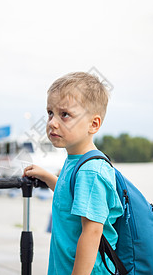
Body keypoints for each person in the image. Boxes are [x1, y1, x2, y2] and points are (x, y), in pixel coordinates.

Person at [23, 72, 123, 275]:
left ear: (93, 124)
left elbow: (92, 232)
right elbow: (71, 196)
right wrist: (48, 177)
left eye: (64, 114)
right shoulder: (75, 161)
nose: (52, 122)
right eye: (50, 113)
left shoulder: (91, 171)